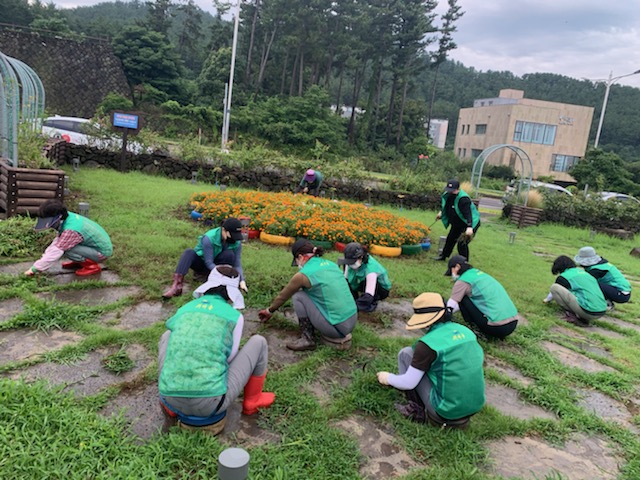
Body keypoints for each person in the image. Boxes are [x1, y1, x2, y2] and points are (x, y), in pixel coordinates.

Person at [158, 265, 275, 433]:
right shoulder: (234, 316)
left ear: (208, 285)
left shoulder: (184, 309)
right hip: (210, 403)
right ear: (231, 293)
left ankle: (170, 404)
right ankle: (253, 400)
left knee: (167, 336)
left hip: (170, 398)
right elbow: (230, 357)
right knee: (259, 341)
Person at [376, 292, 485, 429]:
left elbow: (408, 382)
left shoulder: (427, 345)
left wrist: (387, 378)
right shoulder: (466, 332)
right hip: (474, 406)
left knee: (406, 354)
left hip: (445, 411)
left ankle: (416, 410)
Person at [258, 239, 357, 351]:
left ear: (300, 257)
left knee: (298, 296)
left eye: (297, 260)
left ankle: (308, 338)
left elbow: (283, 296)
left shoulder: (303, 275)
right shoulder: (331, 264)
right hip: (352, 319)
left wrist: (269, 311)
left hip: (337, 328)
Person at [162, 217, 247, 298]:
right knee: (188, 253)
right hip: (204, 264)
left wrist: (241, 281)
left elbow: (237, 264)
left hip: (220, 265)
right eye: (231, 235)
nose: (233, 238)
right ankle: (177, 285)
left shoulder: (236, 242)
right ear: (223, 230)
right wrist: (219, 272)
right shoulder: (209, 238)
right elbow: (208, 262)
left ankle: (221, 282)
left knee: (229, 254)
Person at [24, 199, 112, 277]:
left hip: (101, 253)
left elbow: (56, 251)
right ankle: (80, 262)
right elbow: (58, 241)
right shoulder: (68, 217)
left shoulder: (70, 230)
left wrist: (35, 269)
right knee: (63, 245)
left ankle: (91, 266)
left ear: (58, 218)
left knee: (66, 249)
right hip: (92, 246)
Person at [444, 255, 518, 339]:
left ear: (457, 267)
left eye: (451, 271)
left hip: (497, 327)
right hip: (513, 323)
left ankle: (474, 328)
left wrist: (441, 316)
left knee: (463, 297)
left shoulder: (463, 281)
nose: (451, 275)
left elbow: (451, 306)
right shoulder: (479, 274)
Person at [544, 255, 607, 326]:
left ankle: (572, 315)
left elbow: (553, 293)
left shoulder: (564, 277)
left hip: (589, 311)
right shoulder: (585, 274)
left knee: (554, 287)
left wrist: (546, 300)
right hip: (602, 311)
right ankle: (582, 316)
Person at [337, 242, 392, 312]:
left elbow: (369, 295)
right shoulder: (349, 263)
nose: (350, 264)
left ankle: (372, 303)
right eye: (348, 262)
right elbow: (346, 281)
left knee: (366, 299)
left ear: (361, 257)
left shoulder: (371, 269)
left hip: (380, 289)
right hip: (361, 282)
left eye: (352, 262)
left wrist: (352, 308)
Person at [434, 179, 480, 262]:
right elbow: (447, 206)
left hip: (470, 222)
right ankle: (443, 256)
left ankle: (464, 262)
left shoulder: (463, 199)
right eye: (449, 190)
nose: (450, 192)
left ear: (458, 189)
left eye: (453, 190)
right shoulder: (449, 195)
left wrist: (469, 227)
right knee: (450, 239)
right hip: (458, 222)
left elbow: (468, 214)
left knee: (462, 243)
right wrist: (441, 213)